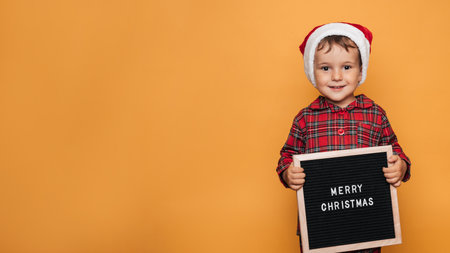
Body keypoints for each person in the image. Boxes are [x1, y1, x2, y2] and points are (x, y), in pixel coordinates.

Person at [276, 22, 411, 253]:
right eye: (325, 68)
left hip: (367, 225)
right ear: (312, 71)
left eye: (347, 67)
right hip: (319, 226)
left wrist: (400, 166)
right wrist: (288, 173)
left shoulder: (375, 114)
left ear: (361, 71)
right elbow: (287, 156)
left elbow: (395, 151)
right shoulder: (305, 118)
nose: (337, 76)